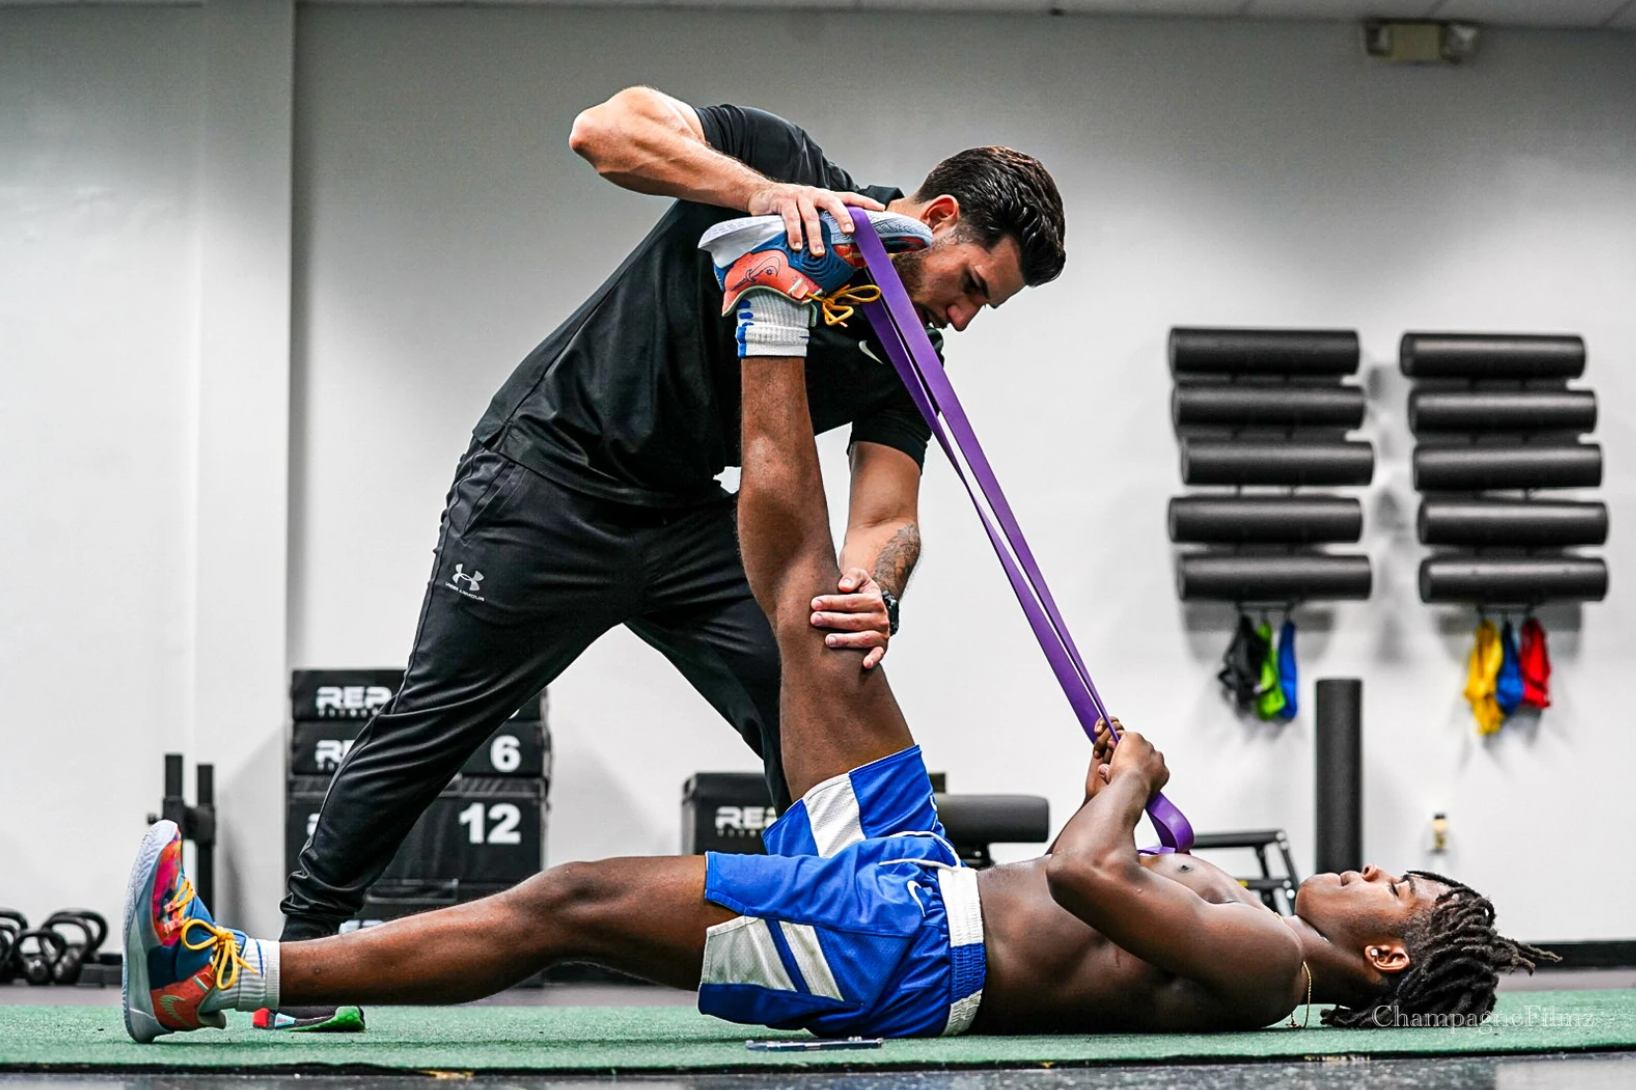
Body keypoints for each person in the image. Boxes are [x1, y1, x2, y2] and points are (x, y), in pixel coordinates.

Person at [124, 238, 1549, 1042]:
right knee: (820, 623)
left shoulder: (1269, 969)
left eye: (1396, 896)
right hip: (916, 873)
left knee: (567, 903)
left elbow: (1080, 873)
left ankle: (228, 975)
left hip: (897, 951)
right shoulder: (1266, 925)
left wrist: (1125, 776)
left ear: (1379, 967)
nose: (1367, 875)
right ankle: (770, 314)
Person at [272, 89, 1067, 1030]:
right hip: (548, 478)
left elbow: (888, 512)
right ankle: (301, 959)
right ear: (937, 221)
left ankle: (827, 938)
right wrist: (758, 193)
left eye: (987, 307)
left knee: (809, 674)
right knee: (437, 722)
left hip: (688, 517)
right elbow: (600, 134)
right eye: (973, 285)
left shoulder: (910, 351)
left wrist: (873, 587)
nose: (968, 318)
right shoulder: (783, 164)